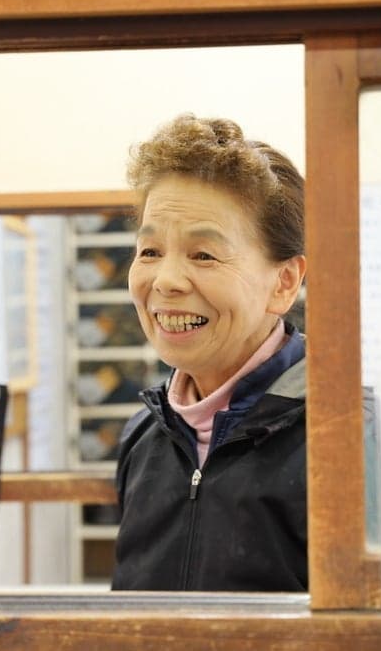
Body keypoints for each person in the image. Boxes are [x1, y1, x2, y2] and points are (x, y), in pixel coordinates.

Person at [111, 114, 308, 592]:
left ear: (283, 283)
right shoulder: (144, 435)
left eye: (203, 255)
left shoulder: (341, 433)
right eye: (150, 251)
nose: (166, 281)